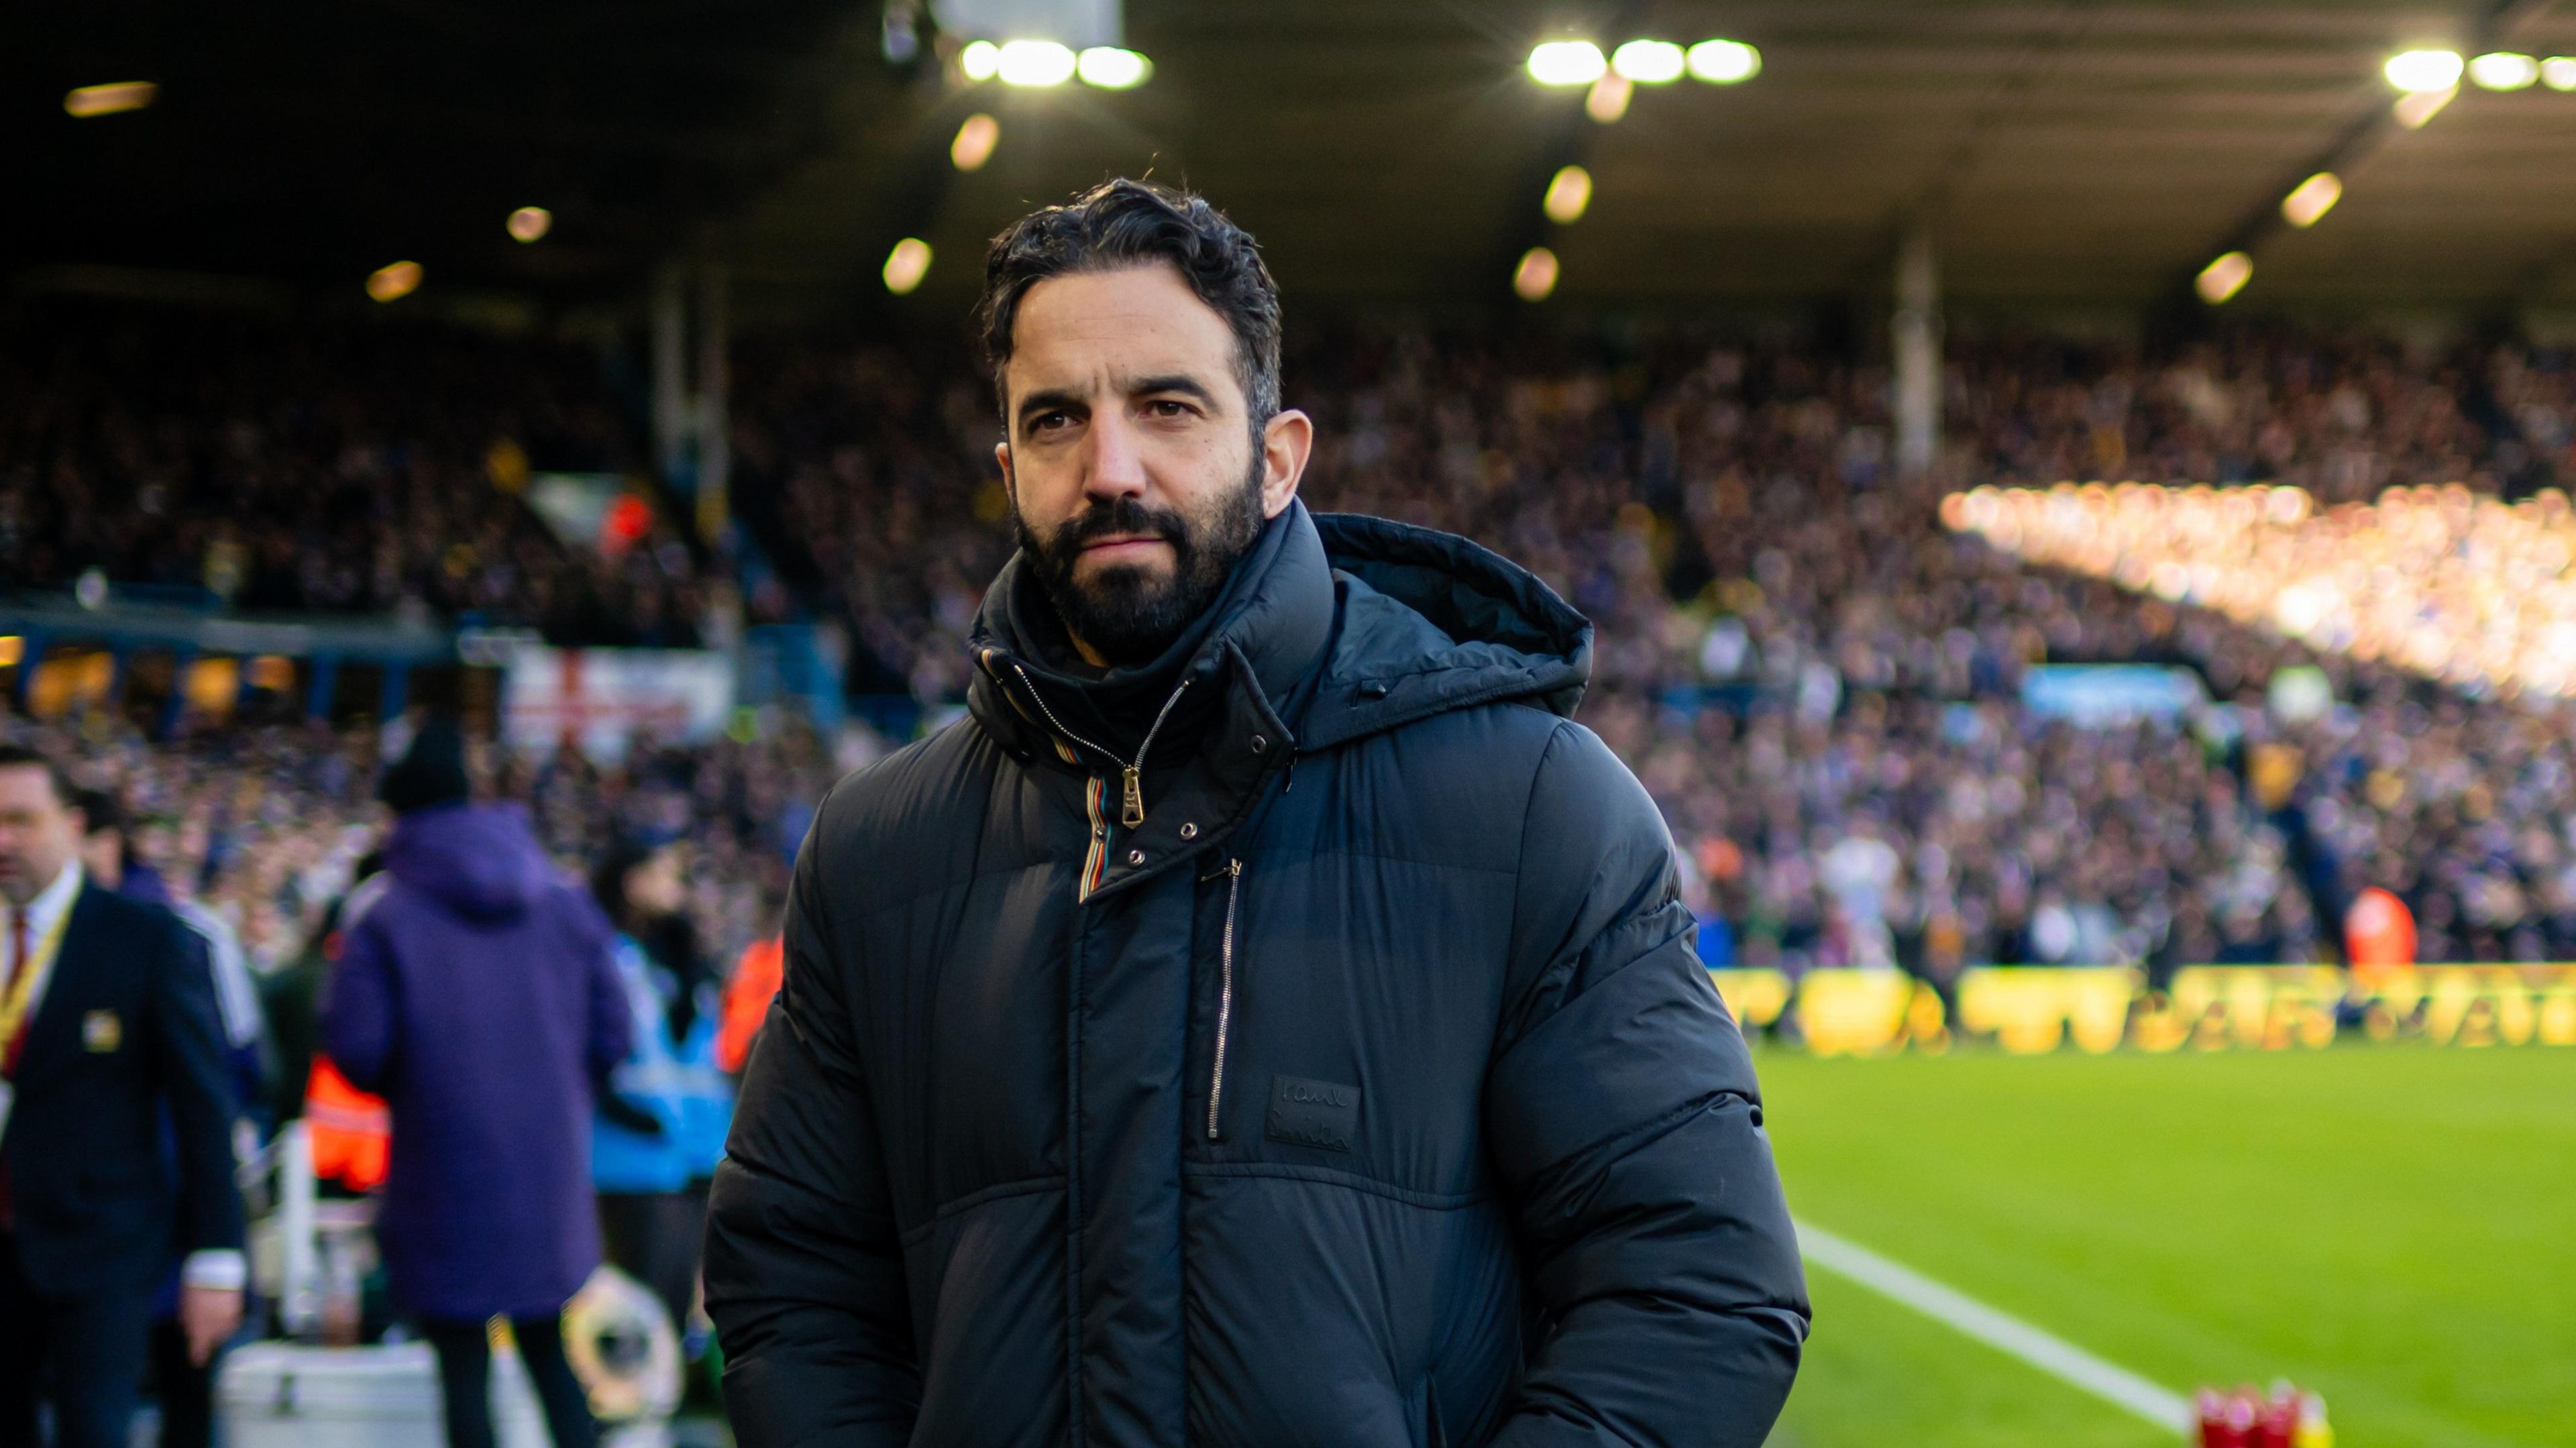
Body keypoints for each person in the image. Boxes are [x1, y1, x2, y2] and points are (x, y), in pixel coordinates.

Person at [705, 180, 1808, 1447]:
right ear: (1010, 469)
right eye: (1057, 420)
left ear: (1279, 457)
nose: (1110, 468)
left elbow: (1700, 1286)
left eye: (1168, 406)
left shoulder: (1530, 807)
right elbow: (793, 1286)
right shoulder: (877, 848)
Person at [319, 720, 629, 1448]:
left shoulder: (384, 910)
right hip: (546, 1173)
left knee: (462, 1371)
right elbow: (613, 1033)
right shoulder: (561, 898)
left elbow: (357, 1050)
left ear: (396, 810)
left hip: (441, 1168)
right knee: (552, 1353)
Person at [0, 747, 245, 1448]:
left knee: (94, 1429)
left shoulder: (147, 939)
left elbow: (205, 1108)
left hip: (102, 1245)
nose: (3, 840)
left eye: (22, 819)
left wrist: (217, 1256)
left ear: (72, 825)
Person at [73, 787, 267, 1448]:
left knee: (182, 1390)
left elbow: (237, 1078)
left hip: (178, 1201)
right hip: (90, 1215)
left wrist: (216, 1234)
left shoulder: (191, 932)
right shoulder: (35, 938)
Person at [588, 838, 727, 1342]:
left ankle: (661, 1405)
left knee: (674, 1301)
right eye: (666, 874)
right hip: (628, 1154)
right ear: (633, 880)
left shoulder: (682, 959)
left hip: (693, 1154)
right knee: (638, 1307)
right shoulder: (608, 954)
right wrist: (623, 1109)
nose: (679, 888)